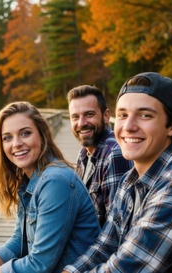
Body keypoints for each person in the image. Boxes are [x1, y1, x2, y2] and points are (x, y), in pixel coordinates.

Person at [63, 72, 172, 272]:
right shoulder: (130, 180)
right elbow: (106, 244)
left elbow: (126, 268)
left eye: (145, 115)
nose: (128, 127)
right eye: (123, 115)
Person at [0, 101, 100, 273]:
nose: (16, 143)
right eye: (7, 137)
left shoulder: (55, 182)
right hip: (49, 263)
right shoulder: (30, 178)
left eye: (25, 133)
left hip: (66, 268)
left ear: (42, 135)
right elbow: (20, 237)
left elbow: (39, 265)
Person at [67, 85, 131, 226]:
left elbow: (116, 226)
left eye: (89, 114)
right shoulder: (84, 153)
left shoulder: (115, 154)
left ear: (106, 116)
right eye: (75, 117)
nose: (81, 123)